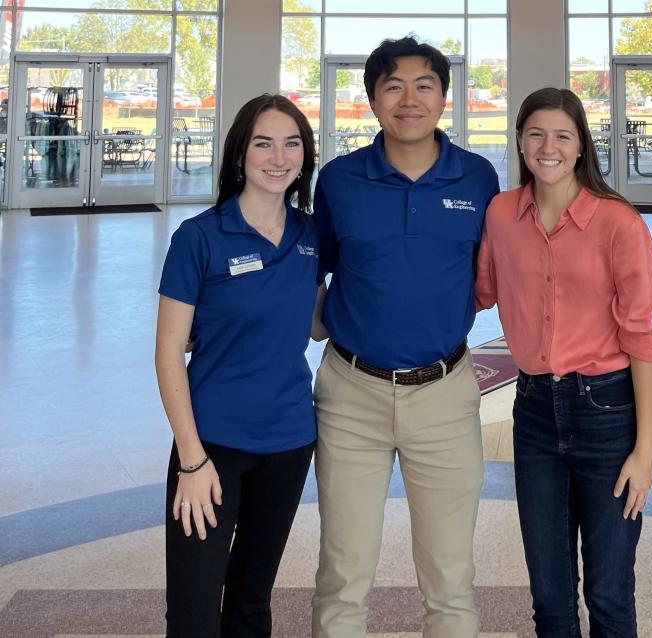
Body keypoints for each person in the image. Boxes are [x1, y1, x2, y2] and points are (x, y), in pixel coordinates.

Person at [310, 36, 501, 638]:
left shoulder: (477, 178)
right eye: (393, 86)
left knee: (451, 580)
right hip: (350, 395)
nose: (409, 99)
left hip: (444, 394)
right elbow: (312, 267)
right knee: (342, 575)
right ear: (372, 100)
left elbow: (495, 270)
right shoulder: (339, 180)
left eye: (424, 86)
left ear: (445, 98)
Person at [475, 87, 652, 637]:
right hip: (534, 409)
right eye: (536, 134)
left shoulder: (618, 222)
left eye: (562, 135)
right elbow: (478, 291)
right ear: (519, 141)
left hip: (607, 412)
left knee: (609, 594)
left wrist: (645, 450)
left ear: (582, 145)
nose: (548, 147)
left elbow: (642, 339)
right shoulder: (501, 215)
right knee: (550, 596)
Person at [155, 94, 323, 638]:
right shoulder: (199, 237)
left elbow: (318, 324)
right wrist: (191, 460)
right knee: (194, 608)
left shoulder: (310, 235)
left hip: (290, 440)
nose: (279, 158)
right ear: (238, 155)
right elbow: (168, 352)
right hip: (212, 446)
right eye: (263, 144)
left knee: (251, 598)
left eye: (292, 144)